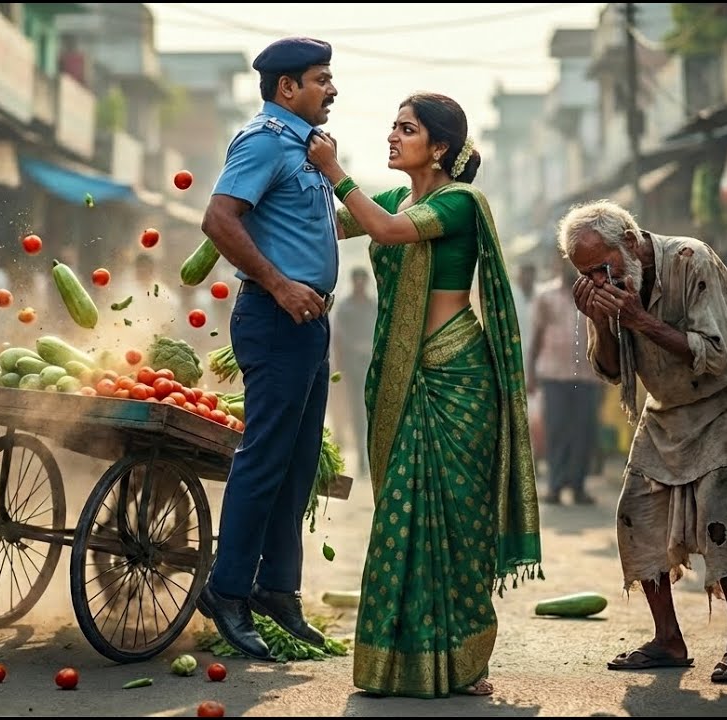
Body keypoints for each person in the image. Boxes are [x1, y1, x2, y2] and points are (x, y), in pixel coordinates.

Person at [307, 92, 542, 698]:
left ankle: (463, 661)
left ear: (438, 147)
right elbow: (328, 226)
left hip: (456, 374)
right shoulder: (390, 196)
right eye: (391, 126)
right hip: (401, 375)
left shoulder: (459, 202)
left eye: (405, 129)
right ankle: (393, 663)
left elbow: (386, 232)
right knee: (399, 519)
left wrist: (337, 171)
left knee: (459, 523)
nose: (391, 136)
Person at [560, 199, 727, 684]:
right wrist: (600, 320)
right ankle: (668, 639)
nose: (599, 281)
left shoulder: (690, 258)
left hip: (726, 401)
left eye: (602, 268)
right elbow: (613, 371)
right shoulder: (612, 286)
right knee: (635, 513)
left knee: (723, 523)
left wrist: (640, 320)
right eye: (586, 276)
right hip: (667, 408)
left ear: (632, 243)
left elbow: (716, 354)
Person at [197, 36, 339, 662]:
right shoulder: (261, 140)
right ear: (288, 88)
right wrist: (280, 285)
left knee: (299, 462)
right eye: (321, 79)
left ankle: (277, 589)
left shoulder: (307, 150)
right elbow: (219, 219)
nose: (332, 90)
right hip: (275, 317)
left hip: (309, 323)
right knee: (265, 458)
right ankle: (226, 591)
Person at [528, 254, 602, 505]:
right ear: (559, 265)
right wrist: (531, 373)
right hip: (554, 375)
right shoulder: (545, 296)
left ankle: (578, 487)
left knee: (583, 432)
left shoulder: (595, 295)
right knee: (556, 430)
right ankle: (556, 485)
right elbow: (537, 335)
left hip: (587, 376)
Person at [330, 266, 375, 477]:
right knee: (358, 413)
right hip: (352, 367)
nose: (359, 284)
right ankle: (362, 459)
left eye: (361, 280)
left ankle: (374, 457)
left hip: (372, 365)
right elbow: (338, 337)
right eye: (355, 280)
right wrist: (340, 366)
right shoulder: (345, 308)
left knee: (374, 412)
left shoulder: (373, 306)